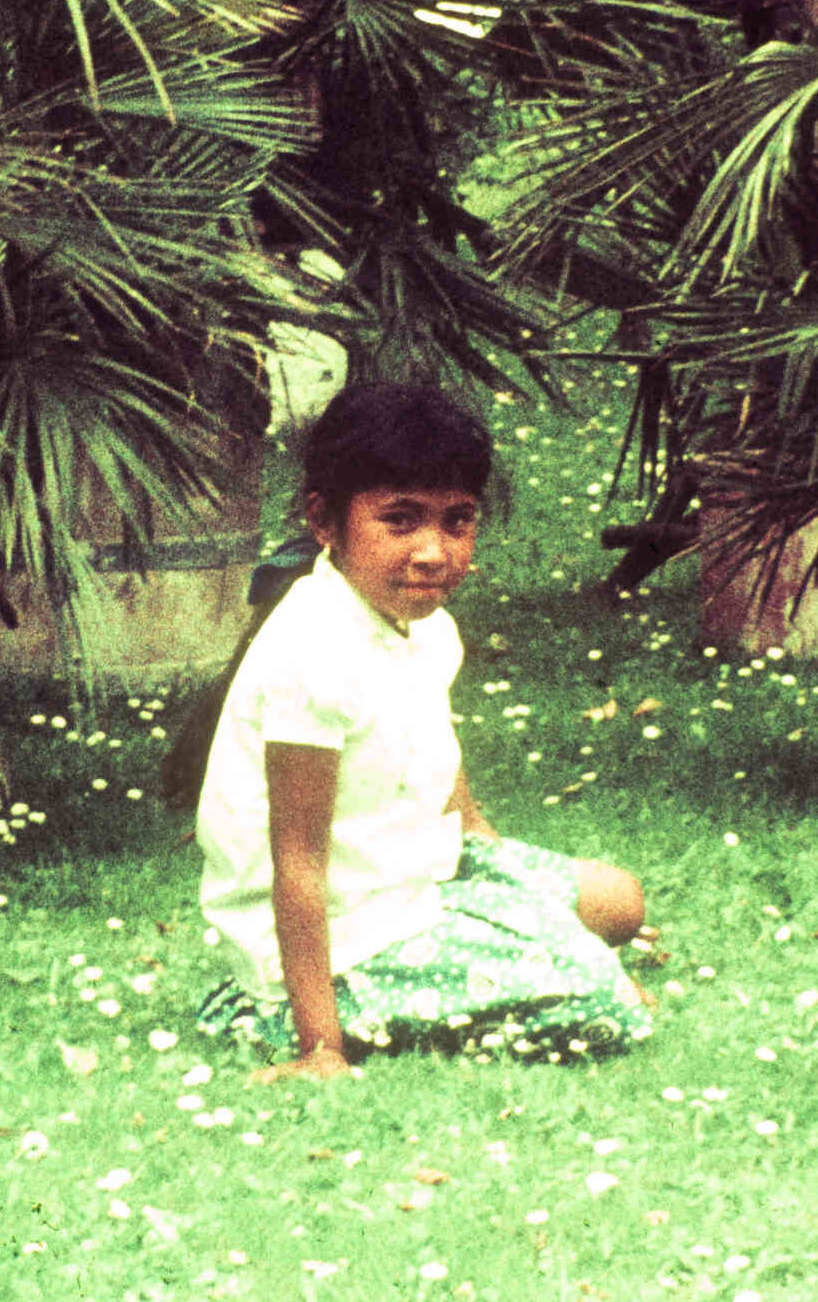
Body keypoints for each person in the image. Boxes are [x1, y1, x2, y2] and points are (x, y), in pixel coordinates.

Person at [194, 383, 653, 1076]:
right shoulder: (311, 655)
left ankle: (531, 954)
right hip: (341, 934)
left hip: (416, 877)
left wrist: (519, 903)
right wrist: (321, 1047)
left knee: (617, 901)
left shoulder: (426, 626)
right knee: (609, 1005)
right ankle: (285, 1012)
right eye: (400, 520)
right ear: (325, 520)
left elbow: (449, 787)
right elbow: (296, 863)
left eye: (456, 520)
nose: (433, 551)